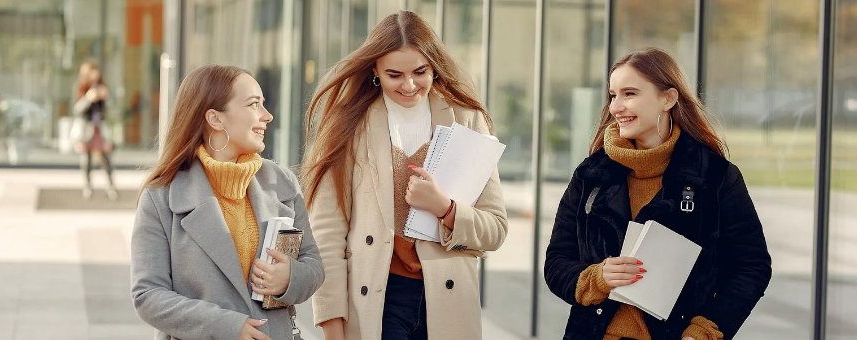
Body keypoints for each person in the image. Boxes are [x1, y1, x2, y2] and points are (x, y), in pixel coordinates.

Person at [301, 10, 508, 340]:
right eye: (395, 74)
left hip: (447, 301)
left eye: (420, 72)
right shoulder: (349, 126)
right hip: (376, 300)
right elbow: (326, 233)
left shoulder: (466, 119)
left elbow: (495, 229)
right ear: (375, 71)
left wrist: (445, 208)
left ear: (434, 66)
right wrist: (331, 323)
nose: (410, 85)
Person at [543, 47, 772, 340]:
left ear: (668, 98)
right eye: (613, 96)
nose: (616, 107)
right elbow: (557, 262)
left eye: (630, 94)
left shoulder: (714, 176)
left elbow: (751, 266)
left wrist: (703, 332)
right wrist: (596, 278)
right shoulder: (591, 175)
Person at [131, 65, 324, 340]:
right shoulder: (161, 195)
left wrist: (289, 278)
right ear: (215, 118)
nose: (267, 116)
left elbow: (314, 265)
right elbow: (147, 295)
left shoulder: (282, 183)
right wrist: (225, 327)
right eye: (254, 105)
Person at [71, 61, 117, 200]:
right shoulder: (80, 88)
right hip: (86, 128)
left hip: (99, 128)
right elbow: (76, 110)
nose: (95, 75)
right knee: (86, 158)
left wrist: (106, 97)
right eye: (91, 72)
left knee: (105, 158)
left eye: (96, 71)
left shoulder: (103, 87)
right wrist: (88, 98)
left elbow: (112, 108)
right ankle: (88, 186)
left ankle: (110, 186)